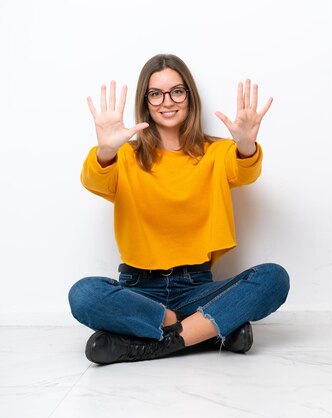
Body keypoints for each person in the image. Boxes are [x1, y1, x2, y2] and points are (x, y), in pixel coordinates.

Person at [68, 54, 290, 365]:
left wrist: (246, 145)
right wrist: (106, 149)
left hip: (195, 287)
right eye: (156, 93)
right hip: (138, 290)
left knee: (274, 278)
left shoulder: (217, 152)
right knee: (83, 294)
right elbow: (94, 181)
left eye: (177, 91)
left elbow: (245, 170)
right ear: (146, 101)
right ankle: (206, 330)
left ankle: (159, 342)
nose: (167, 101)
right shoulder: (125, 156)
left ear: (189, 96)